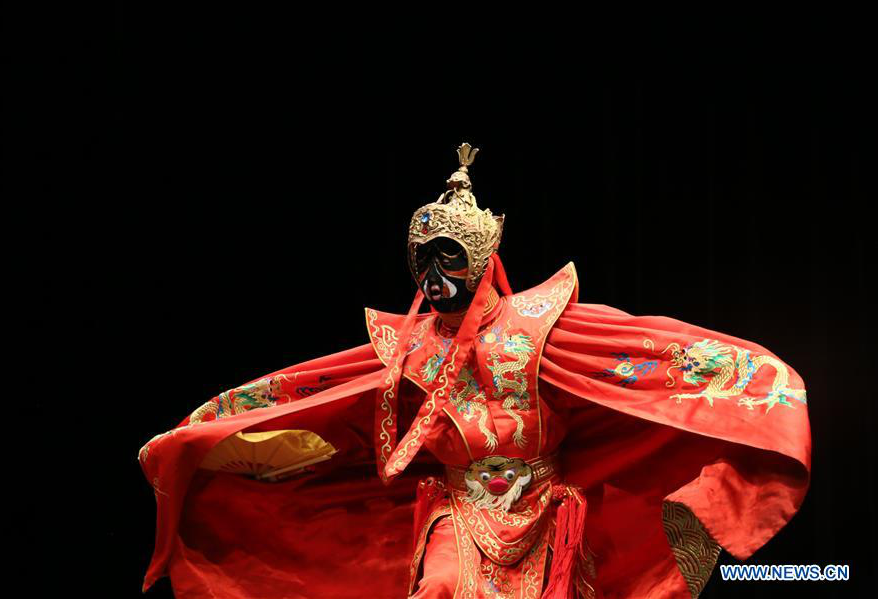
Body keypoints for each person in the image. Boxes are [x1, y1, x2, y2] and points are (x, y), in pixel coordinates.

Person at [139, 143, 811, 598]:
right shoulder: (406, 349)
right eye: (422, 262)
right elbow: (320, 396)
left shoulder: (542, 326)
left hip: (544, 513)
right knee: (438, 587)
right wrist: (212, 435)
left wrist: (752, 382)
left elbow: (645, 359)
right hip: (458, 512)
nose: (433, 277)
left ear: (481, 259)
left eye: (449, 258)